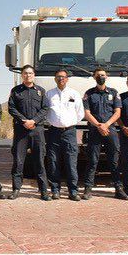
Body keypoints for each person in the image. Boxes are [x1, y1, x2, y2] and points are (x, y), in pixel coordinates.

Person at [82, 68, 127, 200]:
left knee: (114, 161)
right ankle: (87, 190)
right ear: (93, 77)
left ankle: (119, 189)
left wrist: (106, 125)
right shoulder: (89, 94)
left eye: (102, 75)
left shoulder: (114, 92)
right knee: (92, 161)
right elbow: (86, 113)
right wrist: (98, 125)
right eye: (97, 75)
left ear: (106, 77)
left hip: (110, 130)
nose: (100, 77)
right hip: (95, 130)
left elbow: (117, 112)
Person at [7, 65, 50, 200]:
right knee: (19, 161)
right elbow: (12, 108)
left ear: (34, 75)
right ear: (22, 75)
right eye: (25, 73)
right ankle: (16, 189)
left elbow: (45, 108)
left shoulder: (41, 91)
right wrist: (24, 121)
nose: (28, 75)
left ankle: (43, 191)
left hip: (37, 130)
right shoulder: (16, 91)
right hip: (21, 130)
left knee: (39, 161)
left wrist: (34, 121)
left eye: (30, 73)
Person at [45, 69, 84, 200]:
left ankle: (73, 191)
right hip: (53, 132)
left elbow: (80, 113)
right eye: (58, 77)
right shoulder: (49, 94)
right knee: (53, 161)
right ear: (55, 79)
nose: (61, 79)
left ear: (67, 79)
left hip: (70, 132)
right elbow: (45, 112)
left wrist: (69, 123)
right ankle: (55, 190)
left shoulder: (74, 93)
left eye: (63, 77)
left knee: (71, 162)